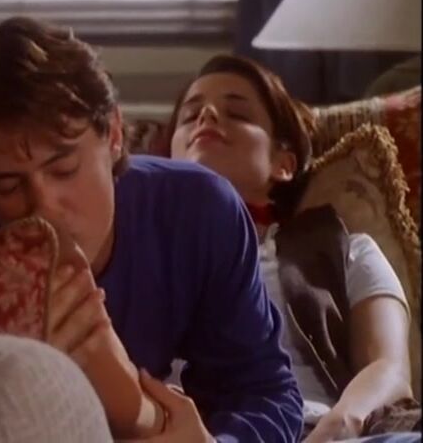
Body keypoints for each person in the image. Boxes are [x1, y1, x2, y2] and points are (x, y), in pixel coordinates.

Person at [0, 17, 303, 441]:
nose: (43, 209)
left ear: (115, 135)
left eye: (64, 168)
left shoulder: (199, 209)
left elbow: (266, 392)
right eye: (7, 186)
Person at [165, 54, 418, 442]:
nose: (208, 116)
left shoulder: (344, 249)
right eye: (190, 115)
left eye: (237, 113)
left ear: (283, 163)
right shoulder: (135, 250)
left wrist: (338, 426)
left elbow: (389, 370)